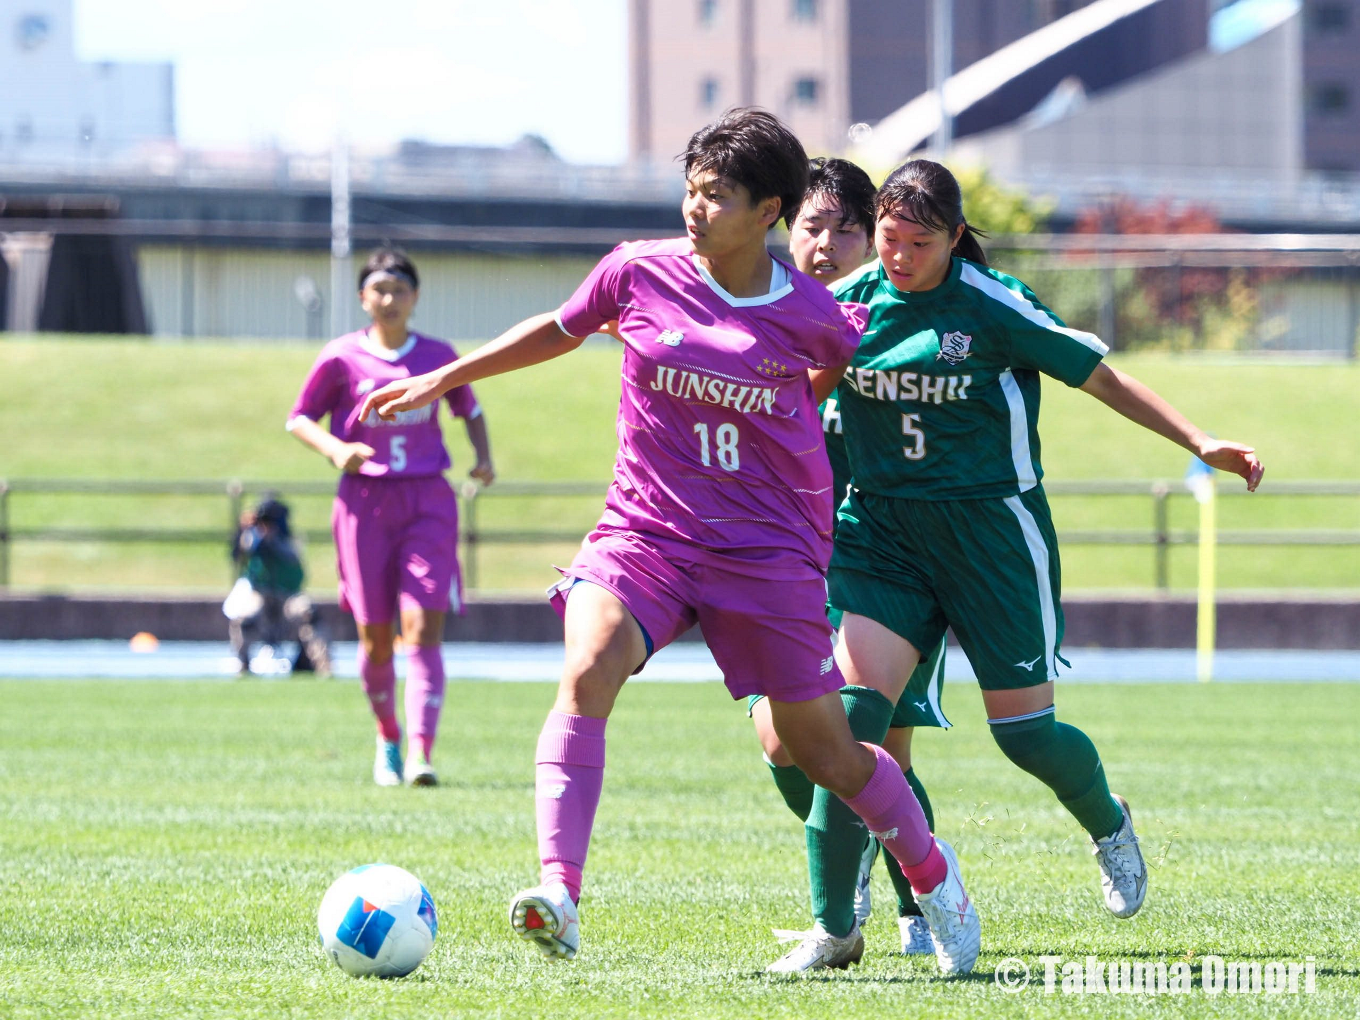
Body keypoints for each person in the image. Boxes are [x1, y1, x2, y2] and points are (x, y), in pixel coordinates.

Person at [357, 109, 980, 976]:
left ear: (769, 210)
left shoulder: (814, 315)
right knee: (587, 666)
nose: (696, 209)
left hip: (765, 549)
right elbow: (559, 328)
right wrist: (445, 376)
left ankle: (935, 878)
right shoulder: (636, 271)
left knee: (823, 751)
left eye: (717, 196)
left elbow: (822, 379)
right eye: (691, 191)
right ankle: (559, 893)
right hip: (645, 529)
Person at [828, 159, 1264, 926]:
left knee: (1026, 736)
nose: (899, 256)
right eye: (889, 239)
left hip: (991, 536)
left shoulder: (994, 307)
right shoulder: (847, 306)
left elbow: (1101, 378)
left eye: (919, 242)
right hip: (883, 534)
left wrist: (1202, 441)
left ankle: (1108, 822)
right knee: (852, 721)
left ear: (956, 238)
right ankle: (852, 899)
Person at [749, 157, 951, 972]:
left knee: (880, 754)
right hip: (791, 571)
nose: (826, 243)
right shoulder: (760, 319)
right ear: (783, 228)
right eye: (811, 225)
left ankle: (918, 906)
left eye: (845, 228)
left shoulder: (888, 315)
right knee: (782, 744)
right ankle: (865, 870)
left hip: (888, 565)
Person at [287, 247, 495, 788]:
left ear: (415, 297)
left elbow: (469, 408)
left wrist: (484, 457)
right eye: (379, 290)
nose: (389, 300)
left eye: (400, 290)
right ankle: (389, 738)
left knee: (422, 628)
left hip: (427, 501)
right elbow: (300, 419)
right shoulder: (340, 358)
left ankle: (424, 751)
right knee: (376, 639)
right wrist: (337, 450)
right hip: (364, 505)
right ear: (363, 298)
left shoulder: (438, 355)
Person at [225, 495, 331, 678]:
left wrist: (272, 540)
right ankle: (242, 663)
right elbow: (236, 554)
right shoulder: (252, 537)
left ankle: (323, 665)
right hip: (260, 593)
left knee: (307, 612)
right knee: (243, 616)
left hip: (288, 596)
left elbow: (291, 557)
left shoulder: (289, 540)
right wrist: (243, 530)